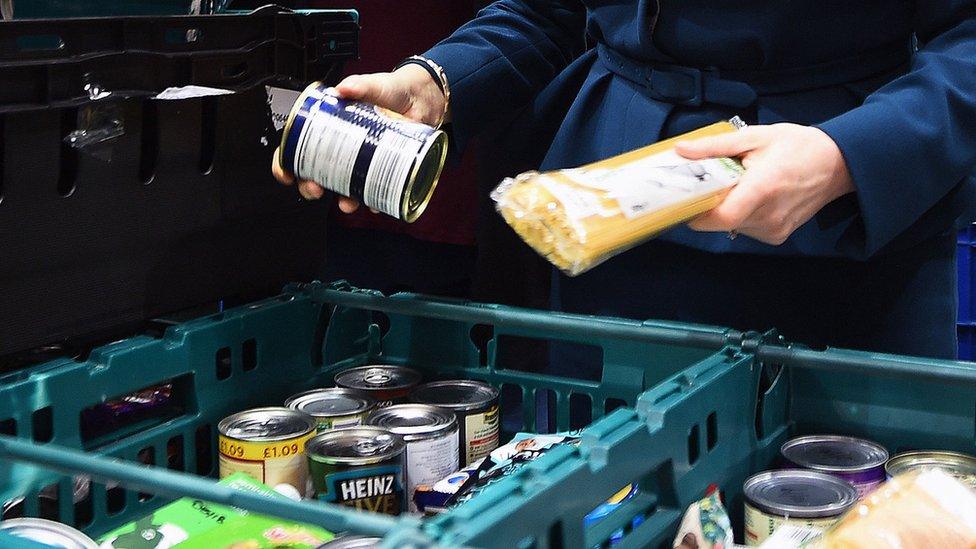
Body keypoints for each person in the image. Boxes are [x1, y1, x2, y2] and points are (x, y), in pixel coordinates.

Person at [275, 1, 976, 360]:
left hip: (842, 245)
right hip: (607, 239)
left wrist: (844, 156)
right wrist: (436, 82)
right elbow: (554, 12)